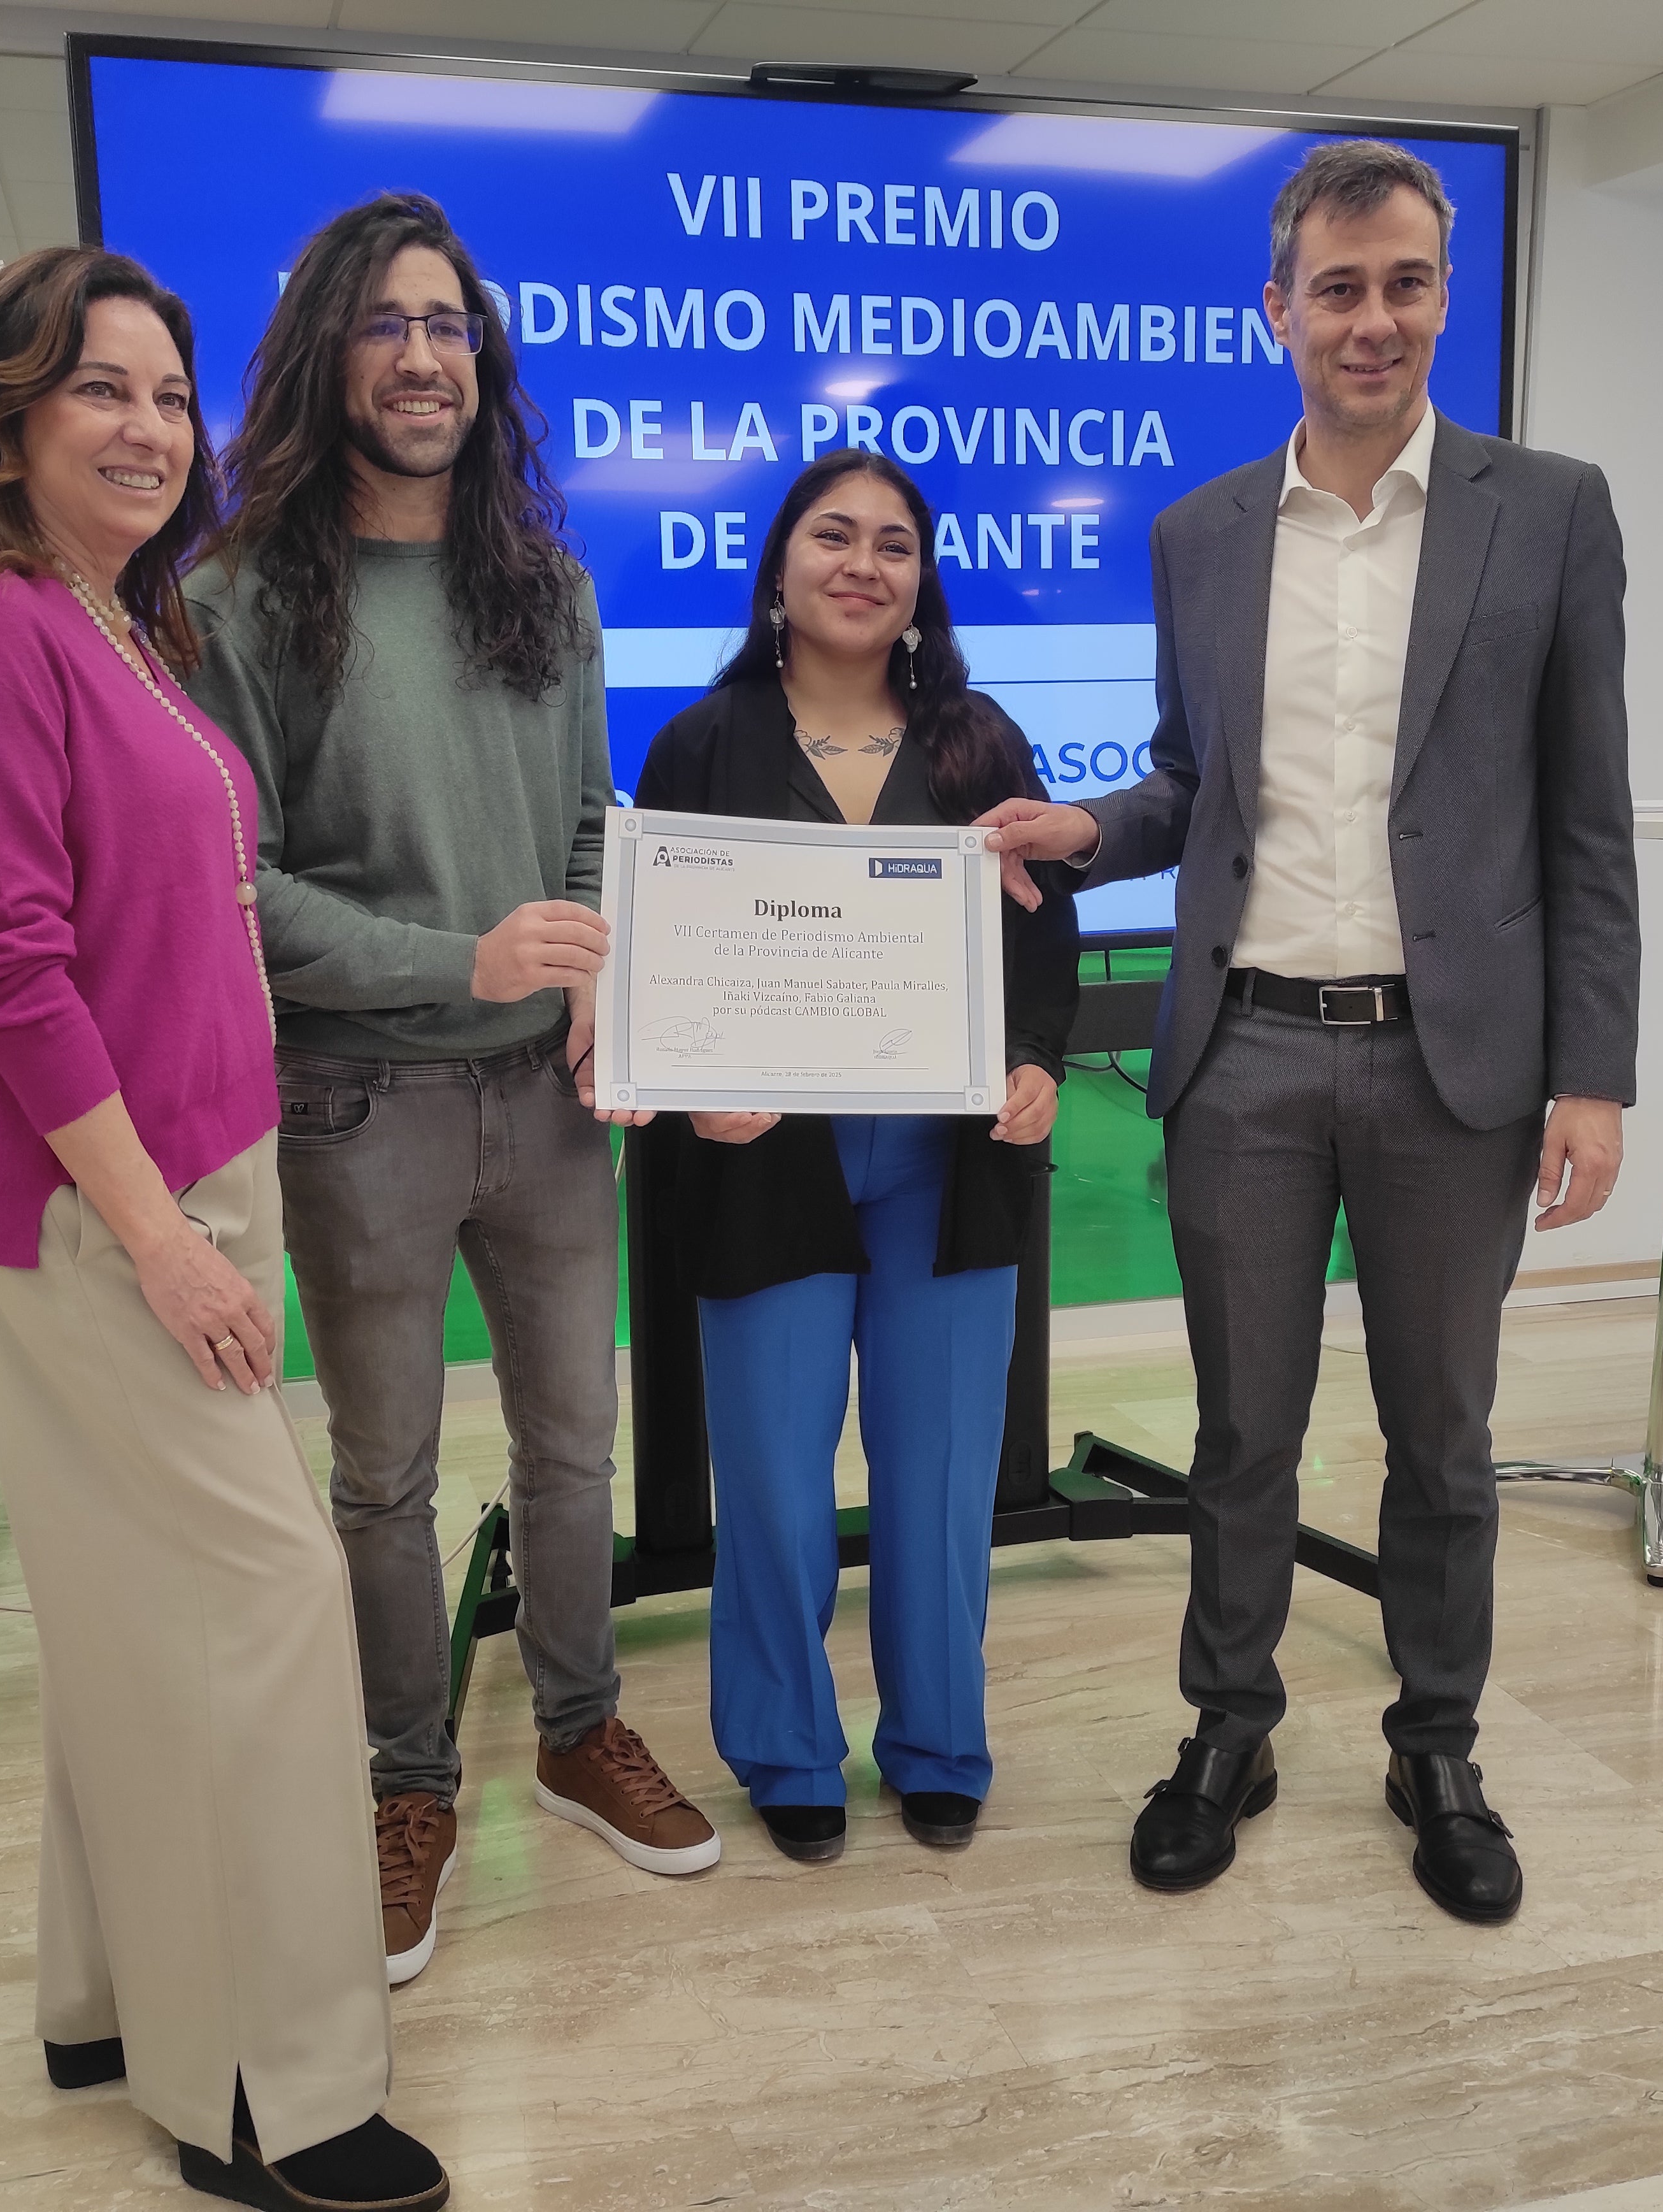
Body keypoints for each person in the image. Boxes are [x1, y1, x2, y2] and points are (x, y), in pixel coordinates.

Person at [983, 140, 1638, 1925]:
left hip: (1461, 1066)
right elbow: (1198, 786)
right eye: (1336, 288)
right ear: (1276, 310)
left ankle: (1438, 1743)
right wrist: (1084, 831)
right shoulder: (1200, 534)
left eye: (1405, 283)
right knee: (1241, 1433)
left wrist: (1593, 1072)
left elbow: (1589, 813)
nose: (1373, 320)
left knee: (1442, 1438)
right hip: (1248, 1057)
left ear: (1445, 294)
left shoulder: (1551, 509)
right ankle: (1230, 1725)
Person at [0, 247, 446, 2209]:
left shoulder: (121, 624)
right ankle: (263, 2097)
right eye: (97, 388)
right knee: (257, 1616)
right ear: (8, 414)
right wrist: (167, 1238)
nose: (144, 428)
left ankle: (104, 1990)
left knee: (136, 1610)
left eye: (168, 397)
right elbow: (4, 969)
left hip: (187, 1180)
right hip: (96, 1213)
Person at [185, 192, 717, 1988]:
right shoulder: (235, 594)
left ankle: (578, 1731)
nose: (426, 357)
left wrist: (592, 987)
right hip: (358, 1106)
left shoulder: (544, 587)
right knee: (384, 1478)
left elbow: (584, 820)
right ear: (328, 353)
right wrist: (458, 966)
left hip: (556, 1108)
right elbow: (236, 888)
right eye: (388, 325)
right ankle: (408, 1783)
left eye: (451, 326)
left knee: (577, 1450)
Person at [632, 452, 1076, 1864]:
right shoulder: (703, 743)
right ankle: (781, 1746)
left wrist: (1040, 1067)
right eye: (834, 534)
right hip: (765, 1166)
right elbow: (660, 959)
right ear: (778, 567)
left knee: (941, 1474)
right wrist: (693, 1085)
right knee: (768, 1472)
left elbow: (1040, 933)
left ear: (919, 584)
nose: (863, 562)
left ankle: (940, 1739)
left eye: (895, 543)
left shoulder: (980, 744)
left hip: (951, 1168)